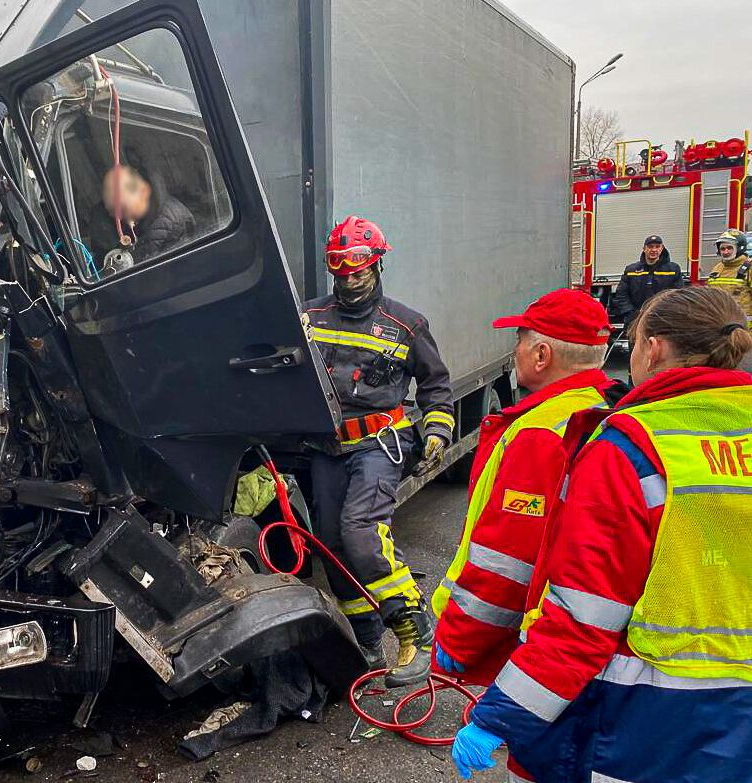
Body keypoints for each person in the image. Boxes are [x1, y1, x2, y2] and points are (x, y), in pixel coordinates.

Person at [451, 286, 752, 782]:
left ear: (652, 348)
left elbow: (583, 620)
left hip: (650, 724)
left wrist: (498, 716)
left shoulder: (631, 448)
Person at [431, 289, 624, 688]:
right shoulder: (603, 408)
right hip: (578, 643)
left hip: (530, 645)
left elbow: (507, 560)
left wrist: (459, 640)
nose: (514, 351)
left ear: (541, 355)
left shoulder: (540, 433)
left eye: (519, 340)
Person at [304, 215, 455, 687]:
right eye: (339, 269)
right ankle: (366, 640)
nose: (349, 279)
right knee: (330, 543)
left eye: (358, 269)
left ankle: (414, 629)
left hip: (380, 443)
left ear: (377, 264)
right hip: (326, 447)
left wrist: (437, 432)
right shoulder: (308, 318)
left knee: (360, 530)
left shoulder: (406, 324)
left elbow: (436, 385)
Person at [98, 164, 196, 267]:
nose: (117, 217)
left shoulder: (175, 224)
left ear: (143, 191)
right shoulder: (129, 223)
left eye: (122, 208)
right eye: (112, 210)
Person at [612, 234, 684, 333]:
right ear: (644, 249)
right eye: (650, 247)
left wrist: (666, 314)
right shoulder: (631, 270)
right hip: (636, 320)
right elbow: (621, 294)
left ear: (662, 248)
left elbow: (677, 295)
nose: (654, 250)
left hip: (662, 321)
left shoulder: (673, 269)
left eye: (657, 247)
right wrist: (630, 313)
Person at [706, 228, 751, 323]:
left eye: (729, 248)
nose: (725, 252)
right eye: (722, 249)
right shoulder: (717, 268)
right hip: (721, 326)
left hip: (745, 330)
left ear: (740, 248)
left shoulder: (749, 268)